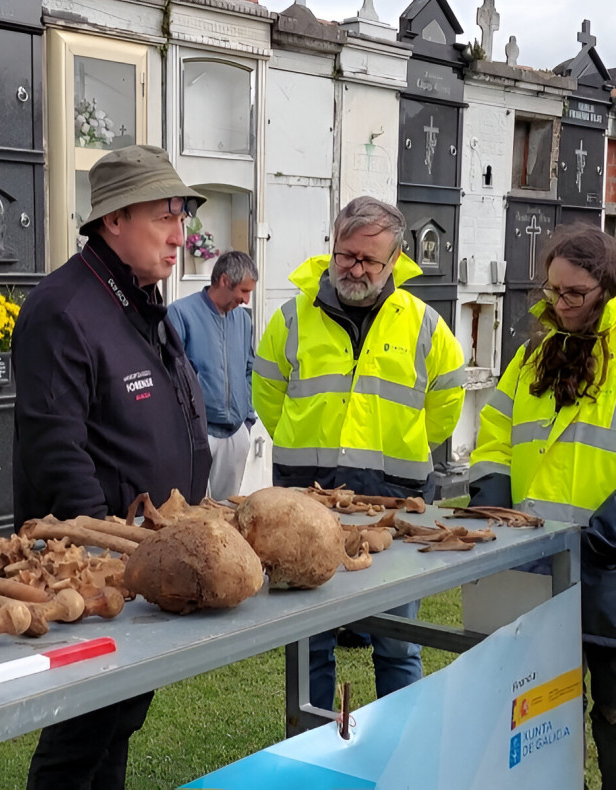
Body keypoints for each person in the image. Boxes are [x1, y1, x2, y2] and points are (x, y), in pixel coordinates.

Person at [12, 144, 211, 790]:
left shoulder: (141, 303)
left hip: (149, 558)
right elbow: (56, 450)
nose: (181, 234)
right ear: (114, 220)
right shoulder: (64, 308)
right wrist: (111, 561)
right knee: (81, 732)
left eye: (183, 216)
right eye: (166, 217)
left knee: (119, 719)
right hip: (101, 572)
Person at [252, 196, 465, 711]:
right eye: (346, 255)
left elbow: (445, 405)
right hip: (306, 506)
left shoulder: (426, 326)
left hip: (395, 508)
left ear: (395, 261)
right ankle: (314, 750)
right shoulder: (291, 318)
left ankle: (401, 753)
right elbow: (267, 396)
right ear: (333, 247)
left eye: (370, 260)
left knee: (397, 644)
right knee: (310, 643)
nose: (356, 268)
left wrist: (397, 454)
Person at [469, 224, 616, 786]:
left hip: (608, 572)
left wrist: (605, 533)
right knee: (541, 719)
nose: (558, 305)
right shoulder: (534, 357)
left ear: (606, 289)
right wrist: (494, 505)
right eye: (551, 292)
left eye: (574, 294)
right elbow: (495, 436)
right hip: (536, 567)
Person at [167, 250, 258, 501]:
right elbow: (170, 376)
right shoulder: (180, 314)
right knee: (196, 514)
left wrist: (247, 419)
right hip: (197, 435)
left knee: (228, 514)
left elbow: (250, 369)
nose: (247, 300)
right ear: (225, 281)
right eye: (244, 291)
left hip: (235, 434)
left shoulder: (243, 319)